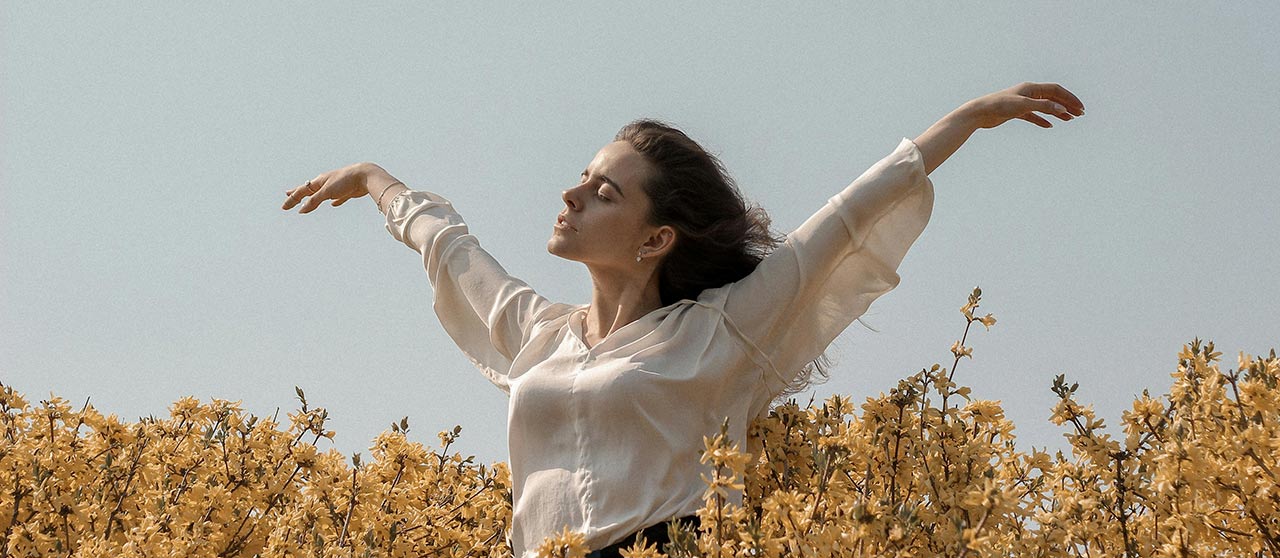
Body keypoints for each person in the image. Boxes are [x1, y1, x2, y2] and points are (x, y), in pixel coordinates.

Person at [281, 82, 1084, 557]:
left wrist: (967, 119)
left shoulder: (720, 330)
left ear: (657, 238)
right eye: (582, 177)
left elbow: (841, 223)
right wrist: (376, 179)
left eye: (605, 193)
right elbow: (452, 251)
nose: (572, 195)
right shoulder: (540, 334)